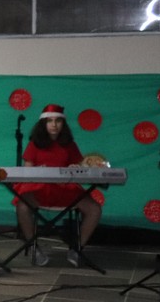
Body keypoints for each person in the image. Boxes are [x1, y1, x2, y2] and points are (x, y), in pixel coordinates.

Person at [13, 104, 102, 267]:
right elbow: (27, 171)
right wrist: (38, 171)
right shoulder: (34, 144)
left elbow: (80, 166)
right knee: (22, 206)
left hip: (65, 190)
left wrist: (75, 167)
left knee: (94, 209)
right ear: (43, 124)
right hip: (39, 190)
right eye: (50, 121)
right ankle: (34, 247)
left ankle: (77, 248)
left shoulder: (70, 144)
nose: (54, 125)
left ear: (63, 124)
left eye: (58, 121)